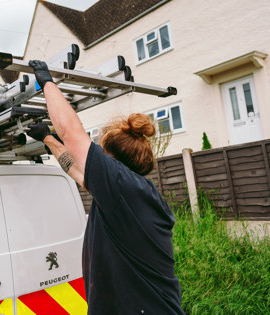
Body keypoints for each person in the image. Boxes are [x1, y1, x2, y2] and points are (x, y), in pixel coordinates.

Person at [26, 60, 184, 314]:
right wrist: (47, 137)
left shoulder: (123, 186)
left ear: (112, 159)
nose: (93, 154)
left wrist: (47, 83)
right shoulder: (124, 195)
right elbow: (77, 172)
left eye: (100, 149)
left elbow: (72, 133)